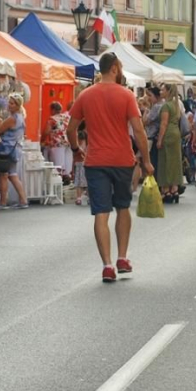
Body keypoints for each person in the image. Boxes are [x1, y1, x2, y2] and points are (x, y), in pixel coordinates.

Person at [67, 53, 154, 283]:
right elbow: (138, 131)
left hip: (95, 161)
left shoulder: (86, 95)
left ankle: (107, 265)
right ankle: (122, 258)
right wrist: (146, 160)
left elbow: (71, 129)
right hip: (122, 160)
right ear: (114, 68)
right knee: (123, 208)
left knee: (101, 213)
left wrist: (76, 149)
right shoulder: (126, 95)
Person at [0, 93, 29, 210]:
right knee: (12, 175)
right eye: (9, 102)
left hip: (6, 149)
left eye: (12, 103)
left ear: (18, 105)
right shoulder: (21, 117)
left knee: (3, 175)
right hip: (15, 148)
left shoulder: (12, 119)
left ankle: (3, 202)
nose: (9, 105)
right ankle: (23, 200)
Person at [157, 84, 183, 203]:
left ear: (168, 91)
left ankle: (166, 190)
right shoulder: (176, 104)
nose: (160, 91)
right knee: (175, 161)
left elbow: (163, 124)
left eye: (163, 89)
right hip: (176, 133)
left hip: (168, 133)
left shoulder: (166, 106)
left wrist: (159, 139)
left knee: (165, 161)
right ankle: (175, 188)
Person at [42, 102, 73, 183]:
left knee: (58, 164)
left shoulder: (52, 119)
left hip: (57, 143)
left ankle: (58, 181)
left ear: (52, 110)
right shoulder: (67, 117)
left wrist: (42, 140)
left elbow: (46, 132)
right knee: (67, 163)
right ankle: (67, 178)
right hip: (69, 142)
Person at [142, 87, 163, 174]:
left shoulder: (156, 107)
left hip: (152, 136)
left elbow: (145, 121)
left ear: (156, 96)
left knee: (150, 160)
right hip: (155, 136)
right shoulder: (159, 106)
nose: (148, 98)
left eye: (150, 95)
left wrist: (146, 111)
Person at [72, 123, 88, 206]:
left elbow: (74, 155)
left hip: (78, 162)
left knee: (78, 181)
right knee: (87, 180)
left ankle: (78, 198)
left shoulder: (76, 145)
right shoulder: (84, 136)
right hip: (84, 161)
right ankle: (89, 197)